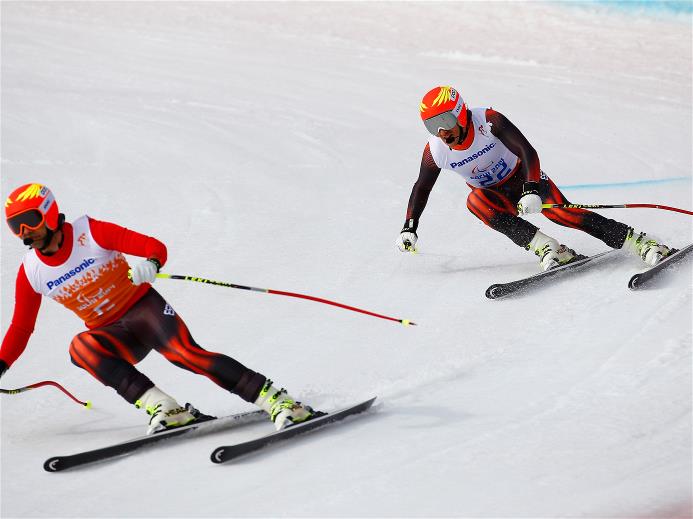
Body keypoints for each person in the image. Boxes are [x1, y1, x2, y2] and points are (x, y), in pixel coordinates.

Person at [0, 183, 319, 434]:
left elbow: (154, 246)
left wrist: (151, 264)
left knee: (185, 355)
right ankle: (165, 408)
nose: (25, 232)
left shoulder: (90, 232)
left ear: (50, 213)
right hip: (111, 334)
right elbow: (21, 327)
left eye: (30, 221)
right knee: (80, 347)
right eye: (16, 226)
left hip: (143, 310)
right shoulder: (31, 272)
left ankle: (280, 401)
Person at [396, 85, 672, 271]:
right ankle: (550, 249)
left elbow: (527, 151)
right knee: (474, 202)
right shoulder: (435, 151)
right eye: (432, 125)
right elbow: (422, 188)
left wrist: (530, 189)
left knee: (565, 215)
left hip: (525, 178)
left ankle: (641, 242)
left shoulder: (489, 120)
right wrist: (409, 227)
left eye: (443, 121)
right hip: (496, 196)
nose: (441, 131)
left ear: (459, 112)